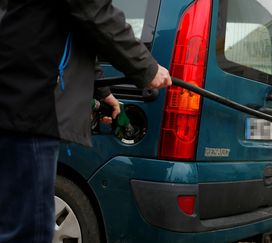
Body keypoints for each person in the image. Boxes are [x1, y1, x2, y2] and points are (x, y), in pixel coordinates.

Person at [0, 0, 172, 242]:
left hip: (19, 96)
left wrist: (102, 92)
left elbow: (75, 25)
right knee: (28, 231)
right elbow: (94, 10)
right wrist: (147, 68)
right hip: (31, 102)